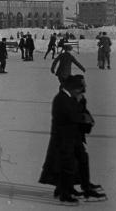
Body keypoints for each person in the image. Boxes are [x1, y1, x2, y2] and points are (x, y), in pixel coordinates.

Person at [38, 75, 93, 204]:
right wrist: (84, 118)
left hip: (69, 137)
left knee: (69, 164)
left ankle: (67, 189)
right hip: (62, 138)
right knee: (65, 165)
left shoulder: (68, 97)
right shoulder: (61, 99)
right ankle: (64, 193)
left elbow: (75, 112)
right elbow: (70, 115)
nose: (80, 92)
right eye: (78, 89)